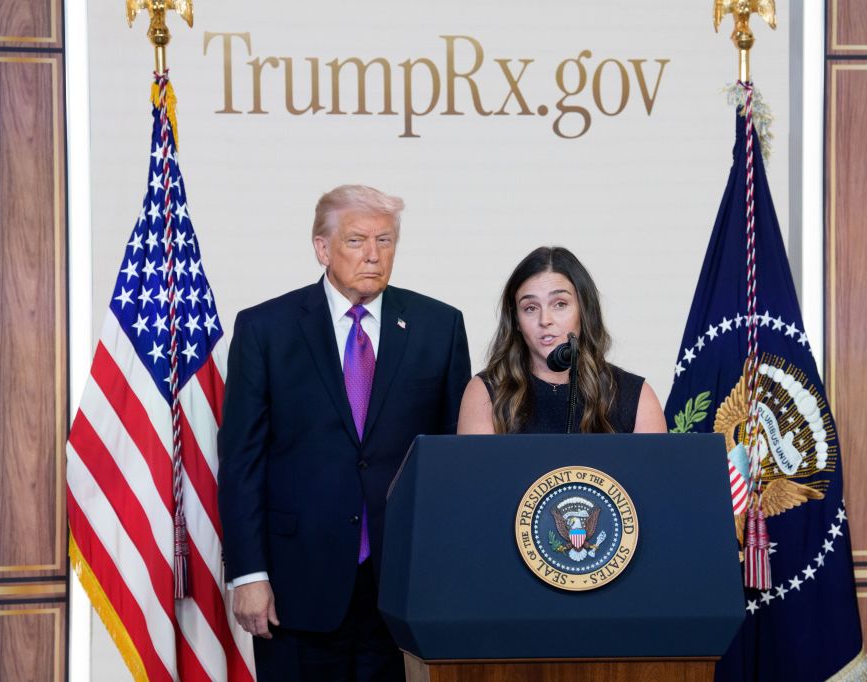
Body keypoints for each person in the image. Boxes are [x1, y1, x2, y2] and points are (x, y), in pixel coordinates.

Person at [218, 185, 471, 681]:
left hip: (403, 584)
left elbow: (452, 463)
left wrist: (449, 573)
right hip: (295, 584)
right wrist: (249, 573)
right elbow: (242, 460)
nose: (373, 255)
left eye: (385, 240)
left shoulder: (438, 326)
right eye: (356, 240)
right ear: (322, 248)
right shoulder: (265, 329)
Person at [457, 246, 666, 435]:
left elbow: (653, 476)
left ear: (584, 311)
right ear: (516, 321)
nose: (545, 320)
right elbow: (473, 476)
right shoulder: (485, 393)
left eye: (560, 304)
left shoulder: (637, 397)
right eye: (530, 308)